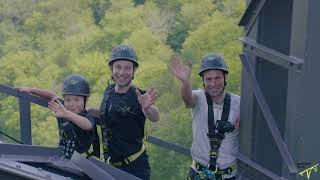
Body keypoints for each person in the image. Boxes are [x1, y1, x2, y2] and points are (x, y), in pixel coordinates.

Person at [89, 44, 160, 180]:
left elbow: (155, 117)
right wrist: (87, 111)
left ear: (134, 71)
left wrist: (147, 108)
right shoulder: (109, 91)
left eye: (127, 68)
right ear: (112, 69)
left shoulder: (139, 96)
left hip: (134, 168)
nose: (122, 72)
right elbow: (109, 112)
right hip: (111, 166)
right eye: (118, 67)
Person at [170, 53, 240, 180]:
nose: (213, 83)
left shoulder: (239, 104)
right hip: (200, 174)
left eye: (217, 78)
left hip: (229, 175)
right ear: (203, 81)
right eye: (208, 79)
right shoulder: (200, 98)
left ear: (225, 77)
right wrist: (185, 82)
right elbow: (188, 99)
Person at [16, 74, 100, 159]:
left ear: (85, 100)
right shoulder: (62, 107)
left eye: (77, 99)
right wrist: (31, 90)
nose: (72, 104)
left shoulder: (87, 116)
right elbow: (52, 96)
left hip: (84, 164)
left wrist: (66, 114)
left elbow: (88, 125)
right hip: (64, 158)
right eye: (68, 100)